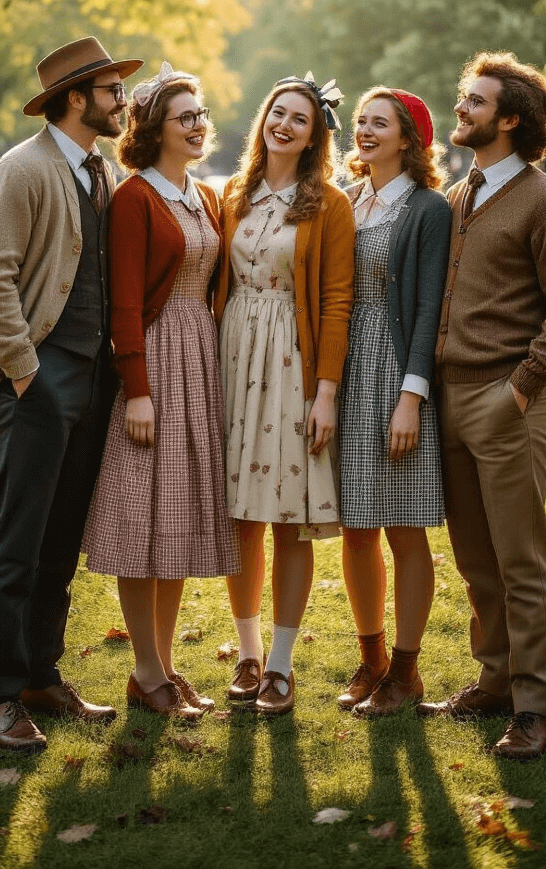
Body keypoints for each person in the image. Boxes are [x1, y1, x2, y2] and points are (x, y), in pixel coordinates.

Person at [417, 51, 546, 759]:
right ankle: (493, 681)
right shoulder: (461, 196)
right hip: (450, 401)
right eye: (464, 98)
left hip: (507, 402)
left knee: (521, 561)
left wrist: (521, 389)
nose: (461, 109)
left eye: (475, 102)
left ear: (511, 119)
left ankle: (535, 711)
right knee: (475, 559)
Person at [0, 37, 143, 753]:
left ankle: (43, 674)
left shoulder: (99, 170)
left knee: (63, 536)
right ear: (77, 98)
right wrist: (23, 370)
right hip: (39, 379)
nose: (121, 102)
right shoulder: (24, 169)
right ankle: (2, 697)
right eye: (110, 91)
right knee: (19, 541)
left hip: (93, 379)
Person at [83, 64, 240, 719]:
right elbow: (123, 304)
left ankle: (165, 668)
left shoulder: (203, 196)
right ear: (155, 130)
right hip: (154, 357)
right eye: (186, 118)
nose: (200, 125)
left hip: (198, 358)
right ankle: (145, 671)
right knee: (140, 517)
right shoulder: (134, 198)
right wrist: (137, 390)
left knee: (175, 517)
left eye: (201, 115)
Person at [216, 74, 355, 716]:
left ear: (313, 135)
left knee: (290, 519)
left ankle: (280, 664)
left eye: (300, 118)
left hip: (292, 363)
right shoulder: (230, 195)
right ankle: (245, 657)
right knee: (241, 515)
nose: (285, 124)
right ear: (263, 119)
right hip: (234, 355)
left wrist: (324, 394)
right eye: (278, 112)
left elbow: (335, 300)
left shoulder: (328, 204)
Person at [337, 88, 452, 716]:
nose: (365, 130)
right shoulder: (350, 199)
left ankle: (406, 673)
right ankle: (373, 659)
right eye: (360, 120)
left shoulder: (427, 208)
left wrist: (412, 397)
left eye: (379, 123)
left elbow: (430, 306)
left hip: (396, 367)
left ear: (408, 138)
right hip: (349, 367)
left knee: (404, 527)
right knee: (357, 526)